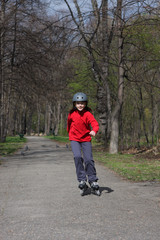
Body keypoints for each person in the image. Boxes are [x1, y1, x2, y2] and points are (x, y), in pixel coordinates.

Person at [67, 92, 100, 196]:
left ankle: (92, 180)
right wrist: (70, 134)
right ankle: (82, 180)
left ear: (85, 104)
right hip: (74, 138)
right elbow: (68, 125)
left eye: (82, 103)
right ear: (74, 104)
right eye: (78, 103)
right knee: (77, 157)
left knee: (88, 159)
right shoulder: (71, 114)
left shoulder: (88, 114)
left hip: (86, 138)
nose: (80, 105)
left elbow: (95, 123)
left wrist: (94, 130)